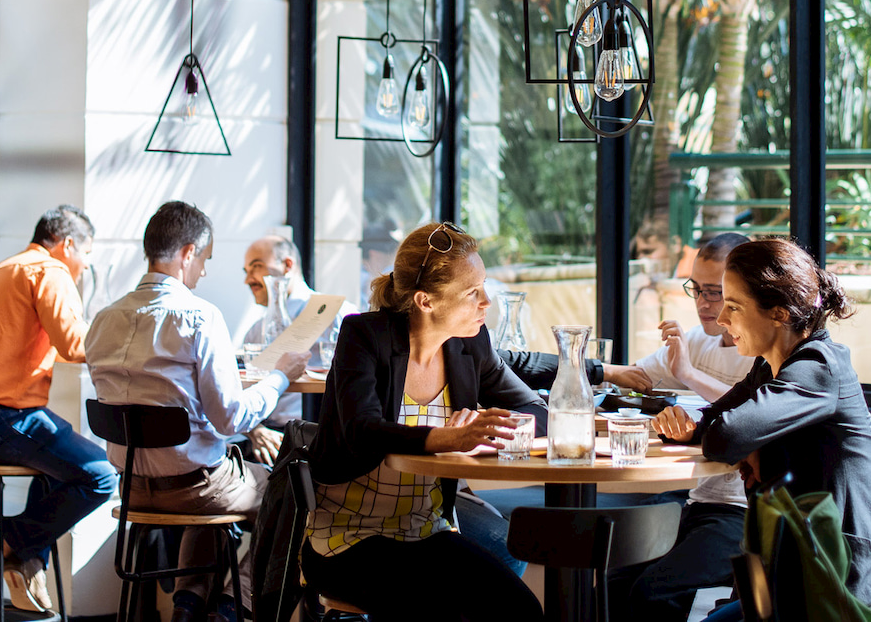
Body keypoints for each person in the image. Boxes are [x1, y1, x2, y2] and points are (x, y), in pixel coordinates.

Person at [653, 237, 871, 622]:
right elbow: (714, 422)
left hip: (846, 588)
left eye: (733, 307)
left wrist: (739, 440)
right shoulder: (768, 367)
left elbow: (727, 436)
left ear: (780, 313)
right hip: (794, 571)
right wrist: (698, 429)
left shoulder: (819, 366)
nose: (721, 320)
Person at [305, 222, 546, 622]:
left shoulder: (470, 346)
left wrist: (496, 427)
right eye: (473, 292)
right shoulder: (364, 336)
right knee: (442, 611)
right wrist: (448, 438)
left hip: (427, 530)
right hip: (347, 539)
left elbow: (535, 409)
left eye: (484, 285)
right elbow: (361, 430)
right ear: (425, 301)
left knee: (522, 611)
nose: (487, 301)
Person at [88, 202, 308, 622]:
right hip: (194, 487)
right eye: (204, 260)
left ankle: (188, 605)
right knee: (291, 491)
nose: (203, 272)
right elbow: (229, 418)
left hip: (131, 487)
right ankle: (233, 603)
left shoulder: (102, 320)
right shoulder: (199, 317)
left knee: (215, 467)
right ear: (188, 253)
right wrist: (279, 377)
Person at [0, 205, 114, 615]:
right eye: (86, 256)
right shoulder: (50, 271)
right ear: (68, 244)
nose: (84, 266)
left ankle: (28, 562)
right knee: (101, 475)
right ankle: (8, 540)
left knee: (62, 458)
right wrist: (123, 342)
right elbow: (74, 346)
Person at [600, 232, 757, 622]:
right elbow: (636, 376)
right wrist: (587, 373)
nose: (704, 304)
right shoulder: (698, 341)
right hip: (696, 499)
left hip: (742, 511)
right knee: (615, 581)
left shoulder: (761, 351)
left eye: (714, 292)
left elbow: (752, 407)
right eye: (696, 289)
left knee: (656, 591)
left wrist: (686, 372)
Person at [240, 231, 356, 461]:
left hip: (325, 440)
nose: (248, 279)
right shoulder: (255, 330)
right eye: (246, 272)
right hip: (267, 439)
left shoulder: (337, 314)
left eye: (256, 267)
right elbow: (238, 395)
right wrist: (255, 431)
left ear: (287, 265)